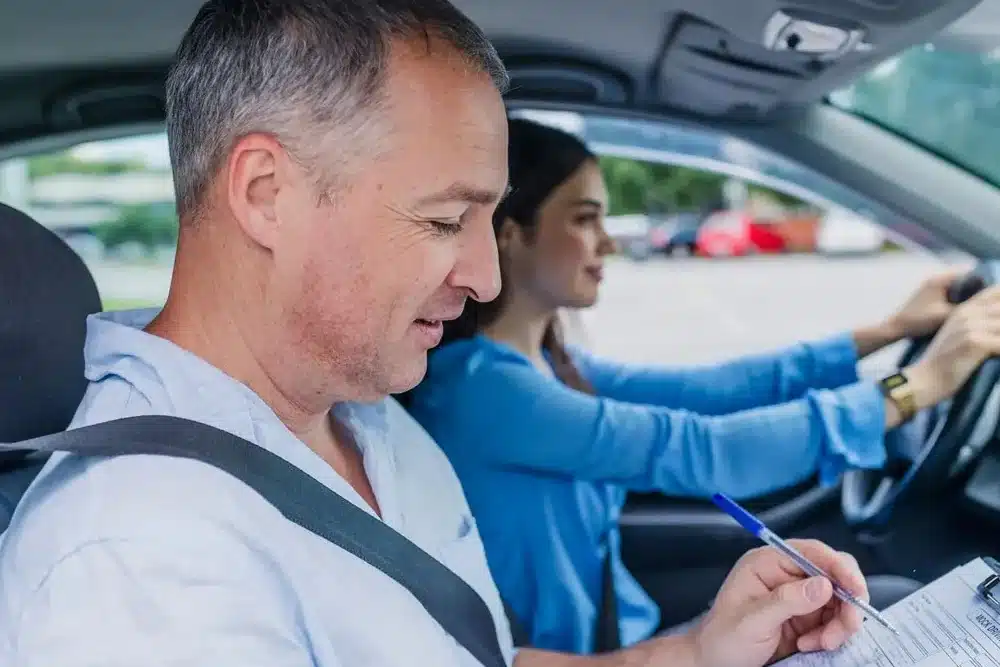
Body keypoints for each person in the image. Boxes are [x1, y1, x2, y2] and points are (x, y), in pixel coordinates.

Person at [0, 2, 958, 666]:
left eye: (488, 218)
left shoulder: (368, 422)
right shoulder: (136, 561)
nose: (486, 276)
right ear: (265, 193)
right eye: (440, 219)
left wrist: (696, 650)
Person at [403, 118, 1000, 654]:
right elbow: (703, 449)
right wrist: (915, 387)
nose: (608, 241)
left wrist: (890, 331)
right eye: (585, 219)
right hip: (590, 654)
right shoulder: (483, 391)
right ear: (510, 233)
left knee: (880, 602)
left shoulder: (549, 365)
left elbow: (712, 389)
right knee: (892, 604)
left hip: (615, 628)